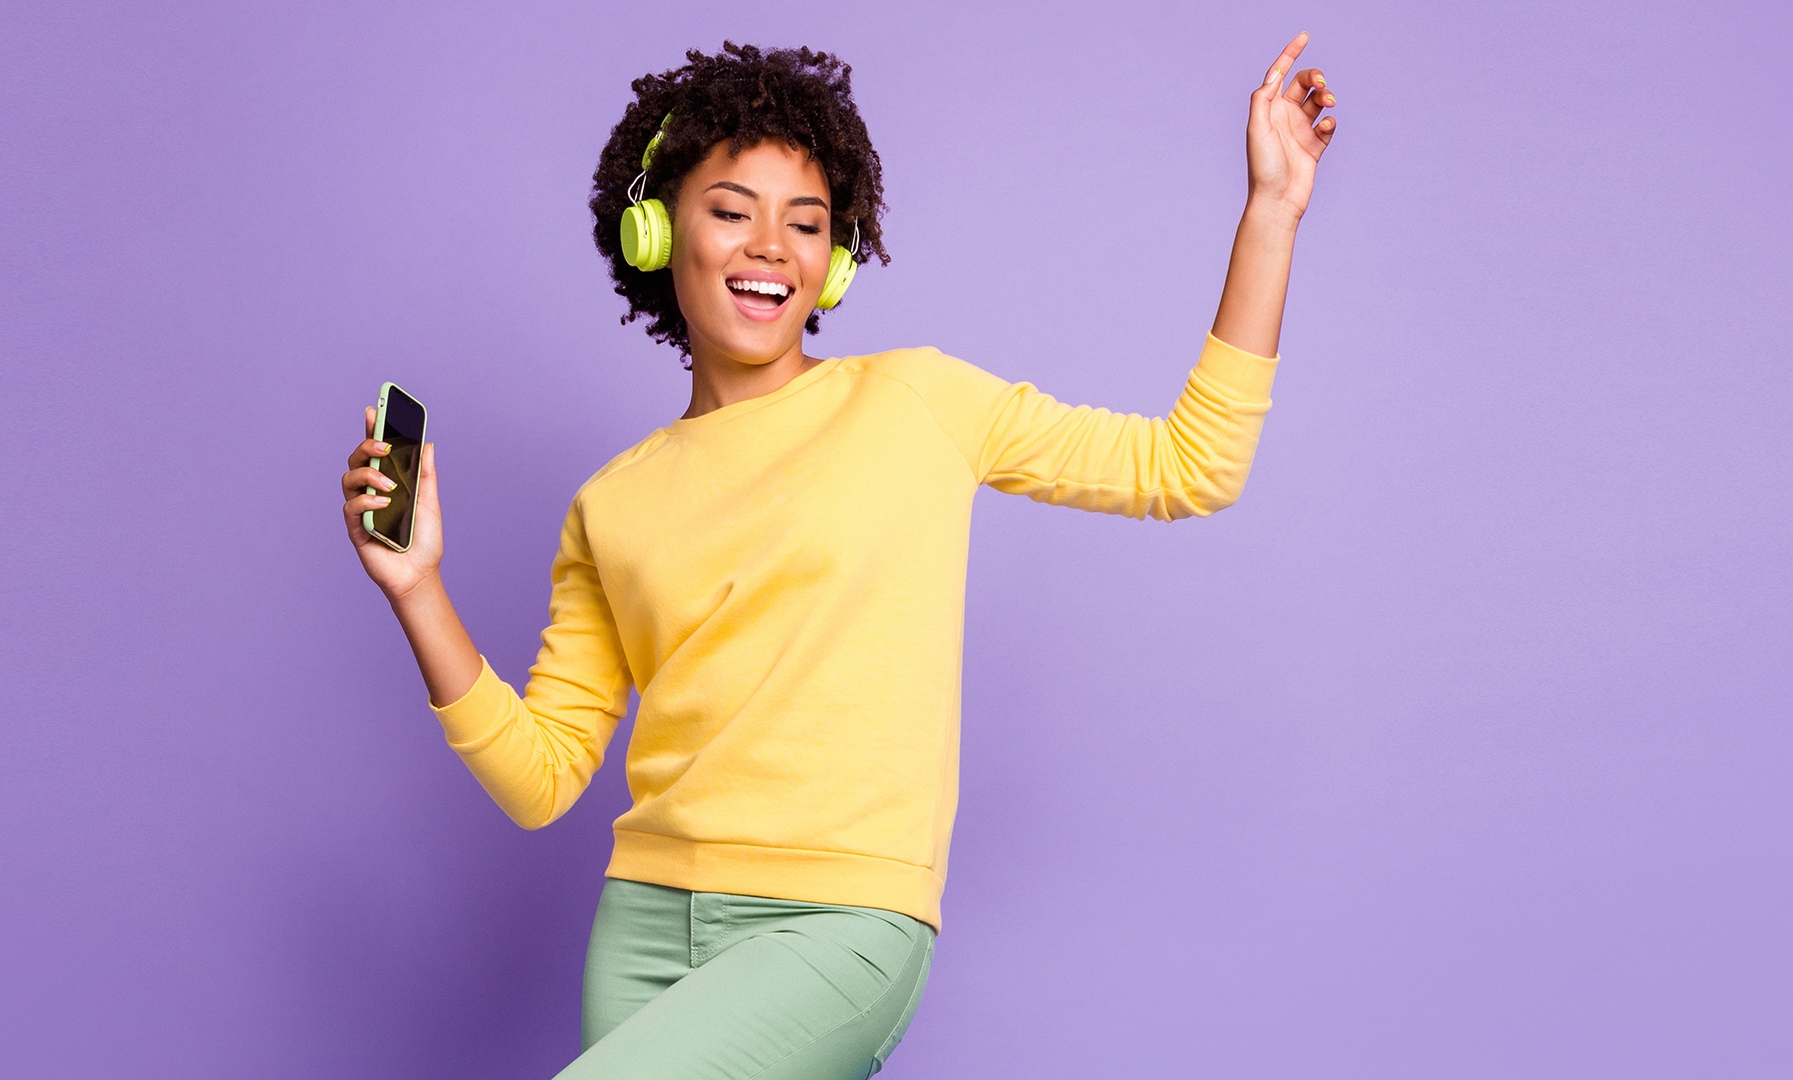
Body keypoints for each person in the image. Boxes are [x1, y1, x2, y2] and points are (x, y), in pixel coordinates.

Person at [339, 37, 1337, 1079]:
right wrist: (417, 589)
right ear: (655, 230)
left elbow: (1191, 466)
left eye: (806, 224)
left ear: (838, 259)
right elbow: (542, 778)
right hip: (640, 928)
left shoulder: (916, 402)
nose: (770, 246)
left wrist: (1271, 211)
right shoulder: (612, 502)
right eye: (731, 211)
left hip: (841, 919)